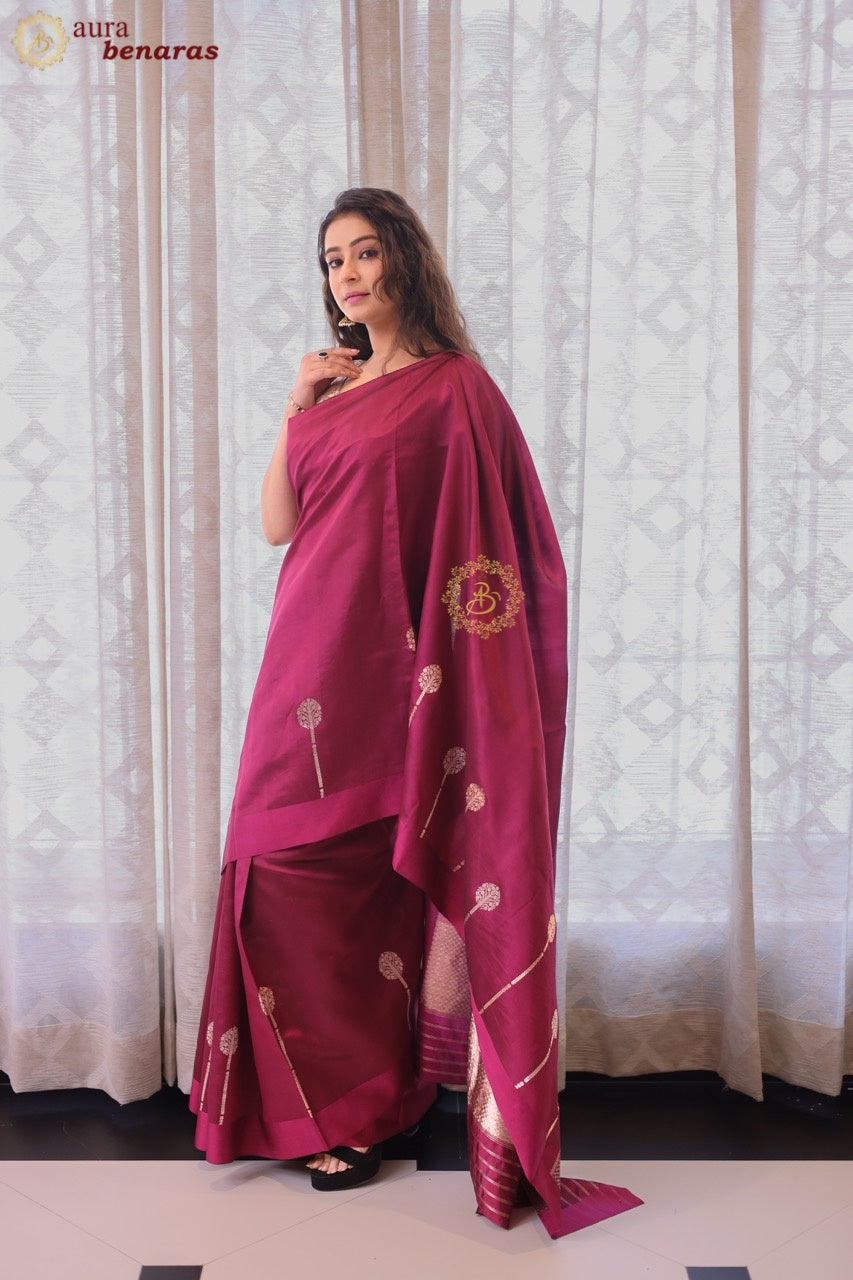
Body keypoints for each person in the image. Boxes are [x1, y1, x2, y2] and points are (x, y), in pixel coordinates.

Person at [190, 188, 641, 1236]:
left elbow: (503, 545)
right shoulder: (334, 388)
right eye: (331, 259)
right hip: (303, 663)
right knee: (276, 876)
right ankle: (325, 1103)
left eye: (364, 252)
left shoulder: (456, 388)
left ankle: (369, 1110)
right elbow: (278, 524)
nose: (347, 274)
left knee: (372, 884)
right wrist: (297, 403)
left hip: (400, 679)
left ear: (403, 260)